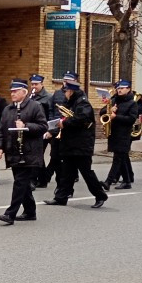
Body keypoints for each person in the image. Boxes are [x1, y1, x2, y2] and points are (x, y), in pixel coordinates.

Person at [44, 80, 108, 209]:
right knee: (67, 173)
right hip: (70, 144)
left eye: (66, 91)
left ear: (71, 91)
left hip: (81, 145)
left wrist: (65, 123)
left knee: (87, 173)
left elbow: (82, 119)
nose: (65, 94)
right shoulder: (72, 102)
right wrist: (57, 127)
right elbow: (68, 120)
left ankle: (100, 195)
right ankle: (61, 198)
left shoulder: (83, 103)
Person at [0, 79, 48, 224]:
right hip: (13, 151)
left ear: (24, 92)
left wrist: (26, 126)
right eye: (11, 91)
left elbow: (43, 126)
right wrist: (0, 147)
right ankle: (30, 212)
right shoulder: (8, 109)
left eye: (15, 91)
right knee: (22, 184)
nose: (12, 94)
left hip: (29, 152)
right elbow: (1, 130)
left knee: (20, 182)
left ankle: (10, 214)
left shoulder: (35, 107)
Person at [99, 79, 142, 190]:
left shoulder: (132, 103)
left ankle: (108, 182)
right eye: (118, 88)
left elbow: (131, 119)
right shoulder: (114, 100)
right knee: (122, 158)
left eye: (122, 88)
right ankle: (127, 182)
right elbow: (101, 112)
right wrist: (108, 110)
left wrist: (116, 116)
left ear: (128, 89)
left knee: (117, 159)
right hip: (114, 133)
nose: (119, 90)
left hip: (124, 135)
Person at [42, 71, 79, 187]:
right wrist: (52, 126)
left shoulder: (77, 95)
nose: (65, 83)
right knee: (55, 156)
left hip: (68, 129)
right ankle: (58, 185)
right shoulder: (57, 93)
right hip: (57, 129)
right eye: (64, 81)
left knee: (64, 159)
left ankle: (49, 178)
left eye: (68, 81)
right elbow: (52, 110)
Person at [28, 74, 54, 189]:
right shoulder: (30, 97)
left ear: (41, 84)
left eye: (36, 84)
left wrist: (49, 130)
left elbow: (51, 115)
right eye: (32, 84)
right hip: (35, 129)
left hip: (45, 129)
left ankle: (33, 179)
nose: (34, 86)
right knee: (37, 155)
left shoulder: (48, 97)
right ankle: (42, 179)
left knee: (38, 155)